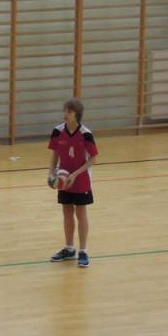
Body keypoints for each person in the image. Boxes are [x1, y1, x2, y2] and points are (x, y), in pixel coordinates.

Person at [47, 98, 98, 268]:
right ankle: (69, 249)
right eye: (64, 111)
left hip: (81, 179)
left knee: (80, 213)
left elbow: (93, 159)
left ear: (77, 114)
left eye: (69, 111)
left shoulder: (85, 134)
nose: (65, 114)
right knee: (67, 212)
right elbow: (55, 154)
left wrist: (75, 175)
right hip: (63, 179)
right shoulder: (57, 131)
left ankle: (83, 251)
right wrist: (51, 173)